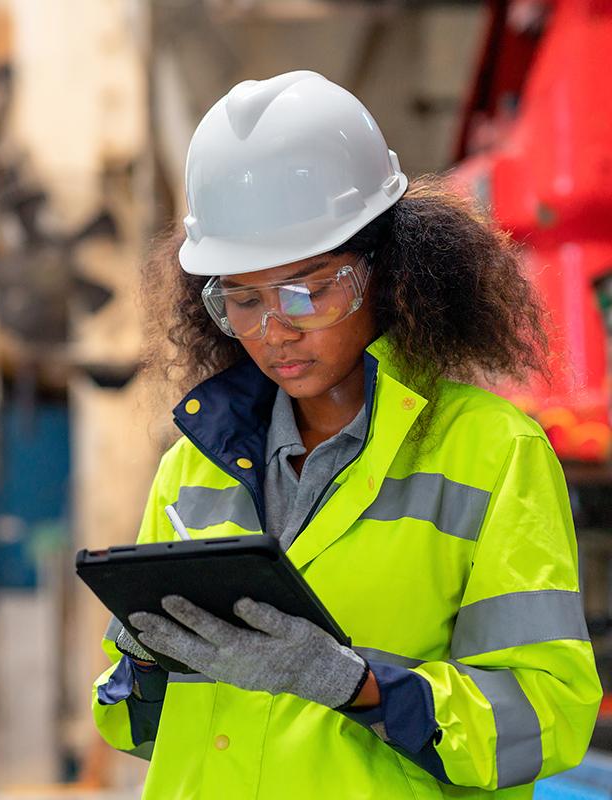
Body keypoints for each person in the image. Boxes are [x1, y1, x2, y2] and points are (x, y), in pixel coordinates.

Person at [90, 71, 601, 798]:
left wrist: (356, 685)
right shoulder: (191, 471)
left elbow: (545, 718)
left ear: (389, 273)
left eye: (310, 289)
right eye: (242, 299)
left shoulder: (491, 454)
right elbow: (132, 731)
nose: (275, 328)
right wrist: (142, 665)